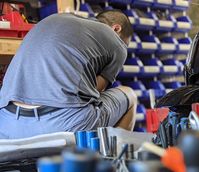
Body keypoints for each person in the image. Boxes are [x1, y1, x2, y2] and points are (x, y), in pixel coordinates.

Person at [0, 10, 137, 139]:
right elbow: (96, 91)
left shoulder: (55, 19)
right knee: (129, 94)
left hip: (7, 124)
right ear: (116, 29)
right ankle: (116, 161)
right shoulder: (117, 44)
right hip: (64, 124)